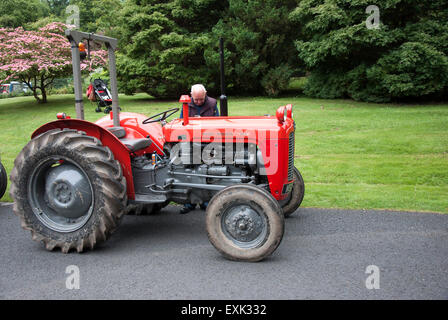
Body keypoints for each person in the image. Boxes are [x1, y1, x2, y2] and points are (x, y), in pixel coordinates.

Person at [179, 84, 219, 214]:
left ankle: (205, 201)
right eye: (196, 99)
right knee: (189, 170)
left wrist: (204, 122)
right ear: (191, 96)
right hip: (191, 141)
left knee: (207, 171)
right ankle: (189, 202)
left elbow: (218, 121)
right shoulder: (186, 104)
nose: (198, 102)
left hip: (207, 141)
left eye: (201, 99)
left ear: (205, 94)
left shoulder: (212, 104)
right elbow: (181, 121)